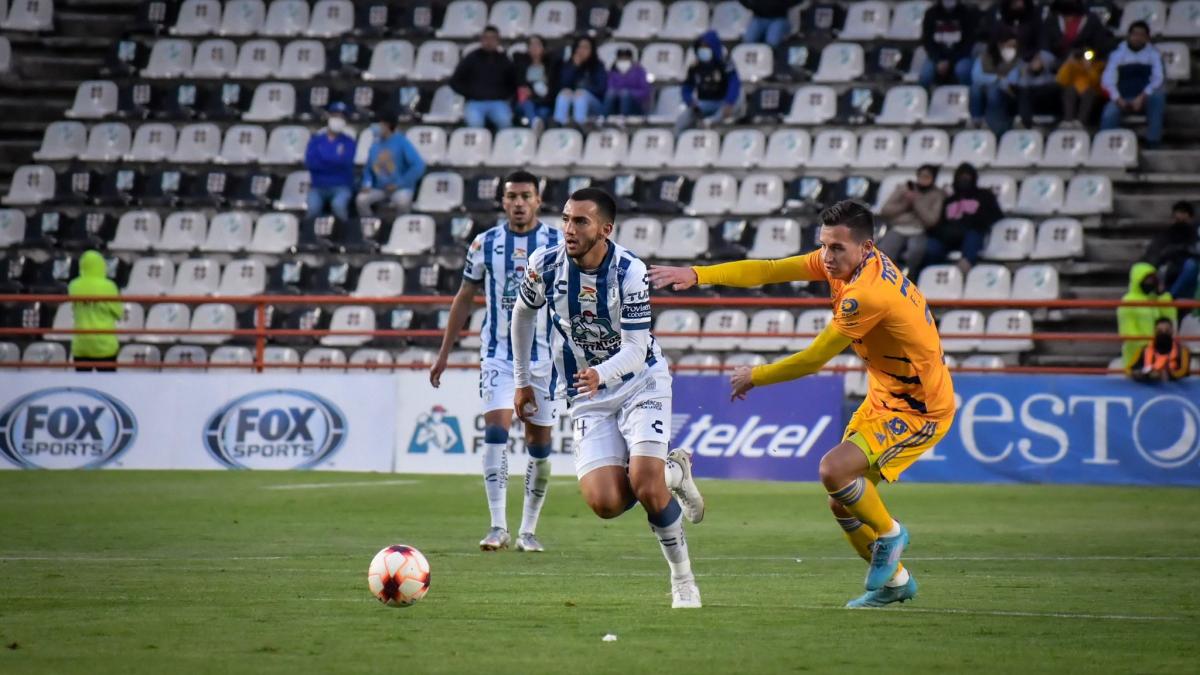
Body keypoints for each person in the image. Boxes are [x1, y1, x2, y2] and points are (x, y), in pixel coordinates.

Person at [649, 200, 955, 609]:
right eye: (823, 246)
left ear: (866, 248)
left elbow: (813, 359)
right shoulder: (851, 264)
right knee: (841, 496)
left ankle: (891, 534)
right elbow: (770, 270)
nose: (827, 257)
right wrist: (698, 274)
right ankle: (896, 582)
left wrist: (755, 375)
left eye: (836, 249)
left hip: (920, 408)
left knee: (833, 469)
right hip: (885, 395)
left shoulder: (867, 294)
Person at [510, 188, 707, 608]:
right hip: (587, 393)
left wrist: (602, 371)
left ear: (605, 229)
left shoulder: (629, 272)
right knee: (604, 503)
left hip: (640, 381)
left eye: (580, 221)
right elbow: (522, 315)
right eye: (565, 219)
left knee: (647, 485)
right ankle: (674, 471)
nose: (568, 229)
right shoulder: (543, 265)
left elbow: (636, 349)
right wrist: (523, 379)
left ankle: (683, 581)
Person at [430, 171, 561, 553]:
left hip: (544, 360)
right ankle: (497, 526)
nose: (518, 203)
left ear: (538, 200)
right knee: (496, 432)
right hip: (498, 355)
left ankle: (528, 530)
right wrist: (444, 352)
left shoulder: (557, 241)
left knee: (540, 445)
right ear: (502, 201)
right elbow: (465, 296)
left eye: (525, 196)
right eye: (511, 196)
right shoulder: (484, 244)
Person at [1040, 0, 1111, 126]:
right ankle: (1067, 121)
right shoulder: (1052, 21)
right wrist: (1065, 61)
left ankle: (1081, 123)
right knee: (1069, 89)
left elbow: (1100, 47)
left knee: (1088, 90)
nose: (1069, 19)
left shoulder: (1091, 21)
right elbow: (1046, 48)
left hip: (1087, 67)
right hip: (1062, 68)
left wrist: (1087, 56)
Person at [926, 163, 1003, 274]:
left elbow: (996, 215)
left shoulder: (984, 195)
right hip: (949, 235)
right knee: (932, 247)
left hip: (971, 232)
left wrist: (976, 221)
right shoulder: (949, 200)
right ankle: (930, 274)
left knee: (973, 236)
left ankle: (962, 270)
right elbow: (940, 222)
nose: (964, 179)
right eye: (961, 176)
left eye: (967, 176)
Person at [1100, 21, 1166, 149]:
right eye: (1135, 34)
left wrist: (1142, 97)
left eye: (1141, 35)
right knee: (1109, 112)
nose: (1138, 38)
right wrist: (1118, 99)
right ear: (1129, 36)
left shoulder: (1154, 54)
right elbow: (1107, 80)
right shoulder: (1117, 54)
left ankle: (1153, 142)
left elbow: (1158, 79)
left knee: (1158, 97)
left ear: (1147, 38)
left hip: (1144, 97)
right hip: (1122, 97)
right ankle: (1105, 146)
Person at [876, 165, 945, 274]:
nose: (923, 179)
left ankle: (910, 278)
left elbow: (932, 220)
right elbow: (885, 210)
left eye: (927, 177)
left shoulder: (937, 195)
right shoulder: (904, 188)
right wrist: (905, 204)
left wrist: (916, 203)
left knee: (914, 253)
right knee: (883, 252)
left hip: (919, 230)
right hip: (899, 227)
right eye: (921, 176)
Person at [450, 25, 518, 130]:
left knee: (505, 122)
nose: (489, 41)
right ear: (481, 40)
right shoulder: (471, 58)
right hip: (475, 102)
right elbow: (454, 81)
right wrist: (470, 93)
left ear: (498, 40)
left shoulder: (504, 60)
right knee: (475, 125)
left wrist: (503, 95)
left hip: (498, 102)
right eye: (486, 38)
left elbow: (513, 82)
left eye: (493, 38)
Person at [355, 117, 425, 218]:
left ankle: (401, 228)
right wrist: (367, 183)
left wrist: (399, 184)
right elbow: (368, 169)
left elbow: (418, 166)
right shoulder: (375, 145)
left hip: (401, 188)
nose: (374, 127)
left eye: (377, 124)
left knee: (402, 202)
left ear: (386, 125)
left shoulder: (402, 142)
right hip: (380, 187)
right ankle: (371, 225)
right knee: (361, 200)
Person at [676, 31, 741, 135]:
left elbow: (734, 83)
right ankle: (677, 141)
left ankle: (710, 122)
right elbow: (687, 87)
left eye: (706, 47)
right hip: (705, 102)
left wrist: (730, 102)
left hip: (723, 101)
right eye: (701, 47)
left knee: (735, 103)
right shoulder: (695, 66)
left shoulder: (725, 63)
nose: (703, 50)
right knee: (683, 119)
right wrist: (689, 101)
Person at [69, 250, 123, 372]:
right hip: (104, 344)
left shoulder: (74, 286)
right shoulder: (109, 286)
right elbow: (119, 313)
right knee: (106, 386)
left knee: (84, 386)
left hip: (81, 344)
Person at [1118, 262, 1178, 370]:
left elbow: (1169, 318)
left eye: (1152, 280)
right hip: (1137, 354)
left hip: (1159, 352)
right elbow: (1127, 331)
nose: (1150, 283)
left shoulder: (1155, 298)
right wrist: (1148, 346)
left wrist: (1162, 295)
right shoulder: (1128, 301)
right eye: (1147, 280)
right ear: (1138, 280)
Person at [304, 101, 355, 222]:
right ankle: (310, 237)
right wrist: (335, 158)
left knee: (338, 206)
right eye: (335, 115)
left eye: (342, 117)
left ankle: (343, 235)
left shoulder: (349, 142)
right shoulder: (316, 140)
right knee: (313, 209)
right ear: (329, 117)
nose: (338, 119)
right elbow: (311, 163)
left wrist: (324, 158)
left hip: (341, 185)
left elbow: (345, 163)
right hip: (318, 185)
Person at [970, 33, 1021, 134]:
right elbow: (976, 76)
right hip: (986, 90)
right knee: (975, 88)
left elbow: (1012, 81)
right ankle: (976, 120)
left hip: (1006, 95)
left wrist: (993, 81)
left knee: (993, 92)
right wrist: (996, 78)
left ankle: (997, 128)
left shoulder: (1015, 60)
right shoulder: (984, 57)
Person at [920, 0, 978, 88]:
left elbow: (968, 42)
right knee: (925, 74)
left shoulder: (966, 13)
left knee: (963, 70)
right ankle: (925, 98)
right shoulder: (930, 14)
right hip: (937, 56)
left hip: (960, 56)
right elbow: (927, 41)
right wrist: (938, 59)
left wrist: (950, 61)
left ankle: (966, 97)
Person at [553, 36, 607, 127]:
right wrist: (574, 67)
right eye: (579, 47)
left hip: (595, 104)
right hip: (573, 98)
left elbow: (601, 89)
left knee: (581, 96)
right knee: (563, 94)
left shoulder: (598, 66)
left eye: (586, 47)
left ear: (592, 50)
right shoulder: (569, 64)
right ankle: (558, 125)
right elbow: (563, 84)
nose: (582, 50)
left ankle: (579, 127)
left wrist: (583, 90)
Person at [1152, 201, 1200, 300]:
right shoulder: (1165, 235)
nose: (1180, 222)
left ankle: (1170, 298)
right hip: (1170, 275)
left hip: (1190, 281)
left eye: (1184, 218)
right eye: (1177, 218)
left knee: (1191, 265)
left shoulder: (1195, 236)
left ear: (1191, 218)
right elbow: (1155, 256)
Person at [513, 35, 558, 130]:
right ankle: (534, 125)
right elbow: (519, 87)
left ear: (544, 48)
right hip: (525, 102)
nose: (534, 48)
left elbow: (551, 91)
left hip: (543, 102)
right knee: (528, 104)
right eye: (531, 45)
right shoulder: (521, 65)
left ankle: (536, 134)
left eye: (537, 45)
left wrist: (533, 93)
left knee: (543, 113)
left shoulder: (551, 67)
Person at [603, 47, 651, 117]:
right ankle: (604, 119)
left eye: (626, 58)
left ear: (631, 59)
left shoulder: (639, 71)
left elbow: (645, 92)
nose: (623, 60)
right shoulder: (612, 72)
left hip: (635, 106)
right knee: (611, 93)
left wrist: (629, 93)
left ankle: (624, 121)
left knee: (625, 94)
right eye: (621, 58)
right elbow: (609, 88)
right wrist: (619, 93)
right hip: (616, 105)